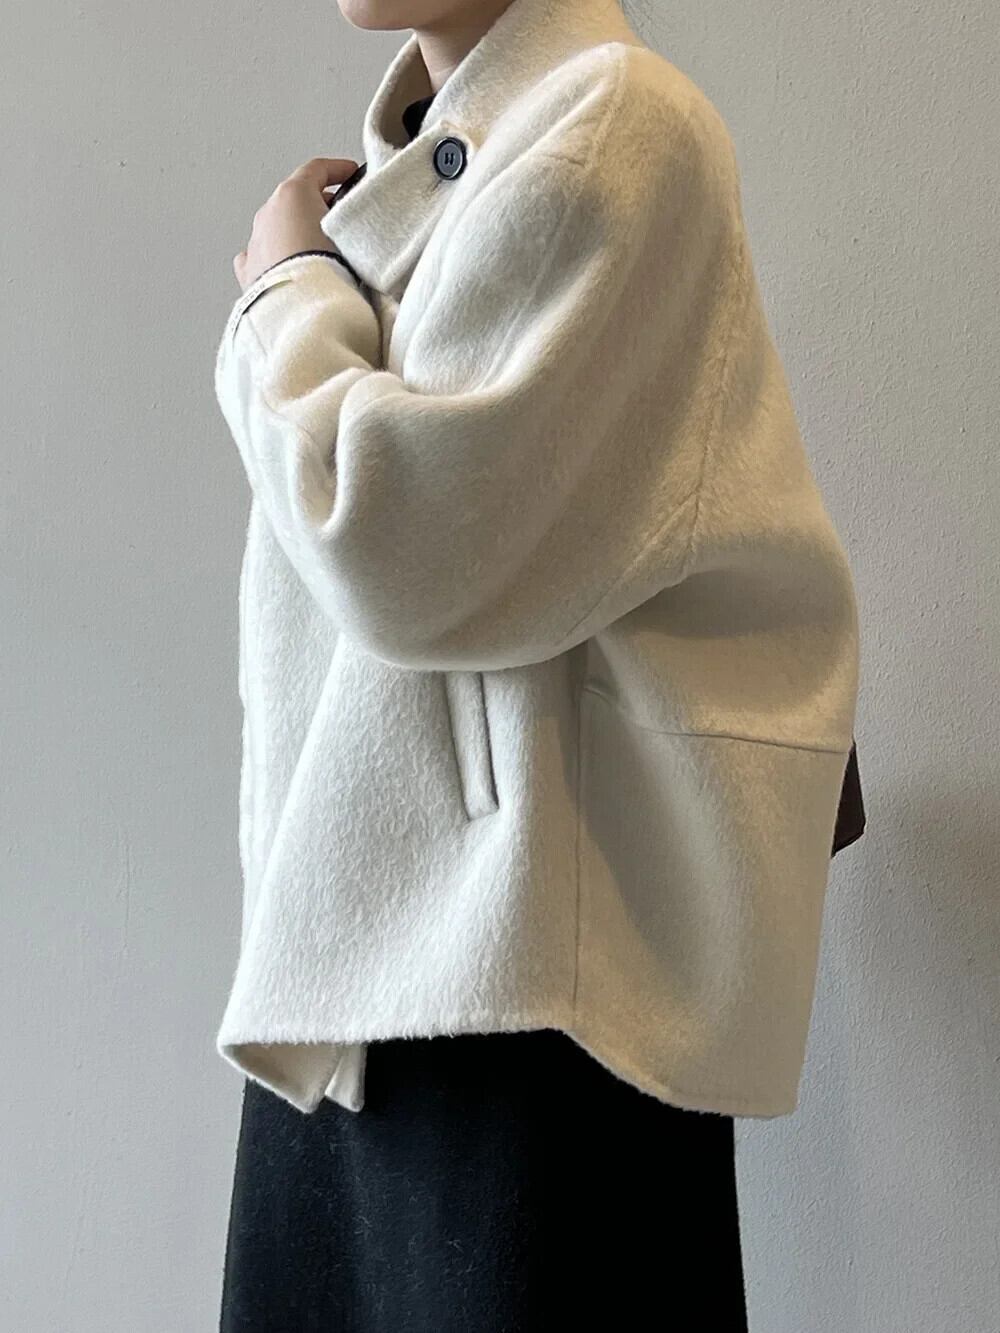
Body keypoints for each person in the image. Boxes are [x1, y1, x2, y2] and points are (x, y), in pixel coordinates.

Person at [212, 0, 864, 1326]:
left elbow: (396, 539)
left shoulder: (617, 124)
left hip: (520, 986)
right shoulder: (449, 168)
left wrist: (286, 297)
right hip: (378, 969)